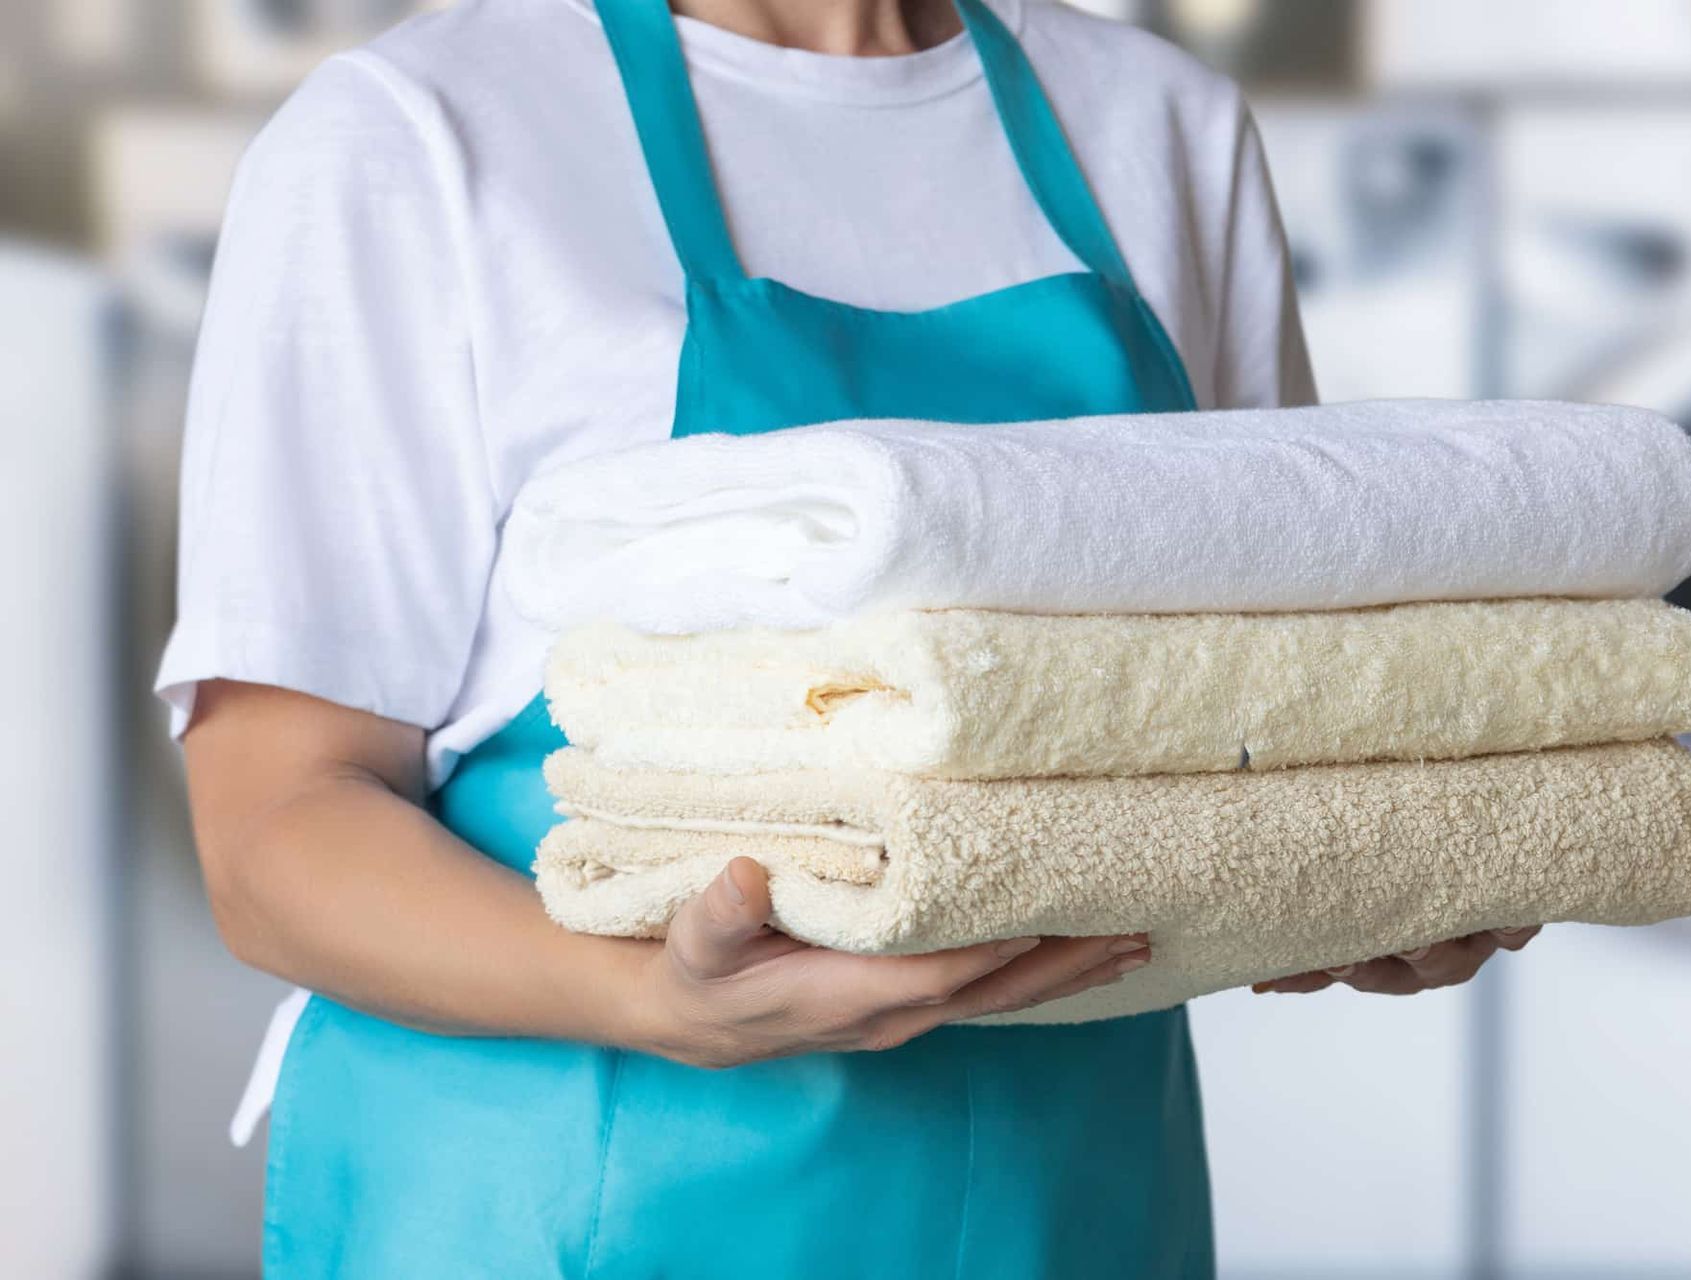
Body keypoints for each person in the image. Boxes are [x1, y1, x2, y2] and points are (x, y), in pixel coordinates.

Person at [160, 0, 1538, 1274]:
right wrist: (653, 1001)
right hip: (571, 1203)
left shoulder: (1158, 122)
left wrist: (1366, 873)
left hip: (1069, 1201)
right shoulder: (423, 133)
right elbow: (273, 830)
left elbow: (1259, 695)